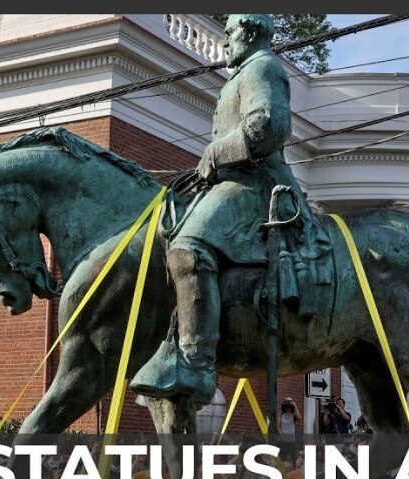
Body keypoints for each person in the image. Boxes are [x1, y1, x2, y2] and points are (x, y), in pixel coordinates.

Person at [128, 14, 330, 403]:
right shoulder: (243, 73)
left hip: (256, 186)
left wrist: (216, 153)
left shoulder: (262, 67)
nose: (224, 41)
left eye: (230, 33)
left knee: (188, 247)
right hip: (234, 183)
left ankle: (197, 362)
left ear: (250, 33)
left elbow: (268, 124)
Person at [278, 397, 300, 462]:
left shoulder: (293, 414)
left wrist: (295, 406)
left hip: (292, 440)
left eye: (290, 402)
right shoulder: (281, 414)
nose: (288, 406)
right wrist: (282, 437)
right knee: (283, 457)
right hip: (283, 439)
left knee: (292, 457)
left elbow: (299, 418)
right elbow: (278, 426)